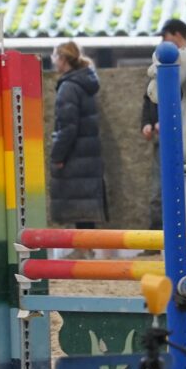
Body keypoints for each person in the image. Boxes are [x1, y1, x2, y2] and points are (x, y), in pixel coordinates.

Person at [49, 41, 107, 249]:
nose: (53, 61)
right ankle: (86, 247)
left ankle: (83, 249)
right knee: (84, 204)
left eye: (55, 56)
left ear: (63, 59)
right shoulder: (84, 82)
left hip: (75, 154)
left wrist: (57, 156)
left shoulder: (68, 87)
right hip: (87, 153)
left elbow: (67, 127)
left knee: (78, 205)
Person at [141, 19, 186, 249]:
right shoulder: (161, 61)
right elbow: (148, 97)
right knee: (157, 193)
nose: (162, 42)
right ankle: (155, 241)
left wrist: (170, 120)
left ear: (177, 35)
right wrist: (147, 122)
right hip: (162, 138)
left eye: (165, 37)